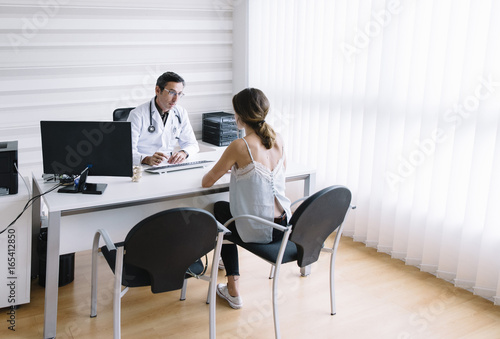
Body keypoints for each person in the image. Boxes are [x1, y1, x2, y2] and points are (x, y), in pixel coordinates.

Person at [202, 88, 291, 309]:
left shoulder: (239, 146)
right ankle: (225, 262)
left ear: (240, 115)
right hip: (283, 224)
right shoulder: (277, 138)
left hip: (259, 230)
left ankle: (233, 289)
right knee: (228, 212)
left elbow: (207, 182)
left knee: (221, 211)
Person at [127, 71, 199, 166]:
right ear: (157, 90)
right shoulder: (137, 114)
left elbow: (192, 144)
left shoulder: (180, 112)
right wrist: (147, 159)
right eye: (172, 92)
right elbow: (127, 151)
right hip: (143, 167)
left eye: (179, 94)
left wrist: (183, 153)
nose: (176, 99)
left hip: (168, 164)